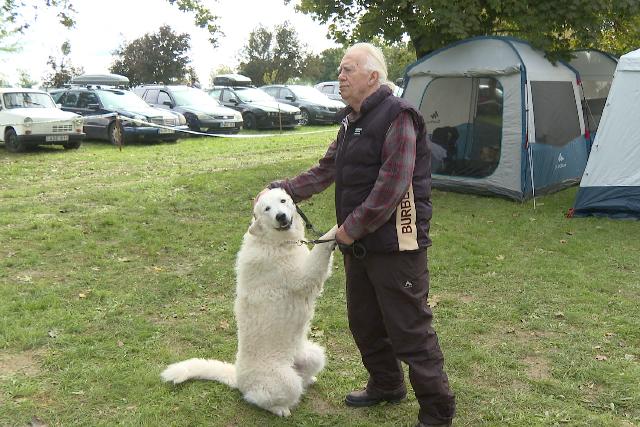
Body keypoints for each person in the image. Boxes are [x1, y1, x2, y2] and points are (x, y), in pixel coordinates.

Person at [258, 42, 456, 427]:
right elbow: (325, 169)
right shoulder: (352, 120)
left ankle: (438, 411)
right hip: (360, 244)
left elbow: (392, 186)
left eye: (349, 69)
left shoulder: (399, 117)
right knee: (364, 321)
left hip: (397, 244)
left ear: (373, 76)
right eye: (340, 70)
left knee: (409, 330)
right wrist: (281, 187)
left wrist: (349, 229)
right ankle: (386, 384)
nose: (340, 77)